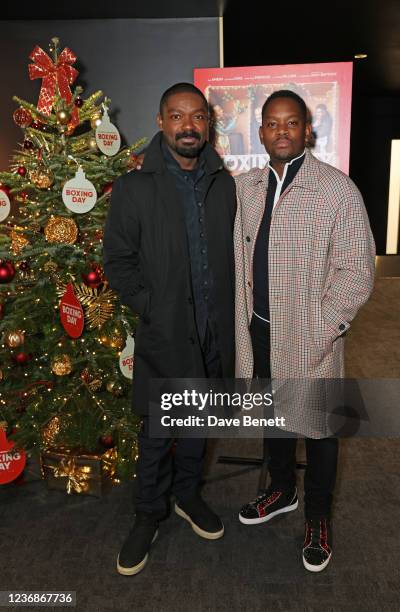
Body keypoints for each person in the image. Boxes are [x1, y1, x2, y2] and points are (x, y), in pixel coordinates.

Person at [234, 90, 375, 572]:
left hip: (310, 337)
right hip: (260, 333)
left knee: (319, 429)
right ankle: (280, 489)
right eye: (272, 124)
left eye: (291, 123)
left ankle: (318, 517)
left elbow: (357, 270)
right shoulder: (247, 188)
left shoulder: (337, 190)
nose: (281, 132)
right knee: (273, 417)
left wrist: (324, 329)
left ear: (306, 130)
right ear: (260, 134)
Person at [103, 83, 236, 576]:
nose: (188, 126)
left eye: (197, 117)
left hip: (212, 332)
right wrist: (152, 308)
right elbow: (117, 262)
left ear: (207, 123)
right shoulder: (136, 186)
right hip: (166, 331)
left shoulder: (224, 184)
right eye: (177, 116)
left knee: (200, 424)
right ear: (161, 122)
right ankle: (147, 513)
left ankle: (186, 496)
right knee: (158, 432)